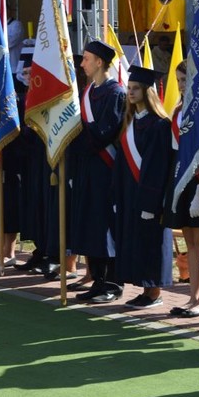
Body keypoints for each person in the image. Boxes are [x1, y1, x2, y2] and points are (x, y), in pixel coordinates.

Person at [69, 40, 126, 303]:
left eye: (87, 59)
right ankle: (98, 279)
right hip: (87, 167)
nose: (82, 64)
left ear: (100, 62)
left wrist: (74, 138)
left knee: (106, 226)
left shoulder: (115, 93)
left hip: (106, 167)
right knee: (90, 224)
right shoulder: (88, 91)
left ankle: (113, 284)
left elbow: (105, 132)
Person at [113, 66, 174, 308]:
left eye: (136, 88)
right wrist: (117, 194)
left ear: (148, 91)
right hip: (129, 193)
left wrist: (151, 201)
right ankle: (144, 289)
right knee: (135, 240)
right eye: (128, 88)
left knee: (151, 241)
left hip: (150, 196)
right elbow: (120, 164)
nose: (130, 92)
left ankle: (155, 291)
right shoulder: (128, 123)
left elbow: (158, 167)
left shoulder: (160, 125)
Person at [166, 61, 199, 317]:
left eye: (186, 80)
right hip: (183, 181)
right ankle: (193, 295)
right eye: (179, 81)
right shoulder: (177, 110)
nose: (182, 85)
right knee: (190, 243)